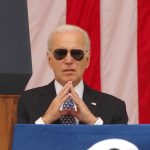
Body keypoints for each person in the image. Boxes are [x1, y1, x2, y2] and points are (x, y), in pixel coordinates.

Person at [17, 24, 128, 125]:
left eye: (76, 53)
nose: (69, 60)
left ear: (87, 60)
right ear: (50, 60)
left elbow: (117, 145)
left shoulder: (114, 107)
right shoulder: (27, 102)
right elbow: (20, 144)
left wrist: (92, 120)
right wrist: (46, 120)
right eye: (60, 53)